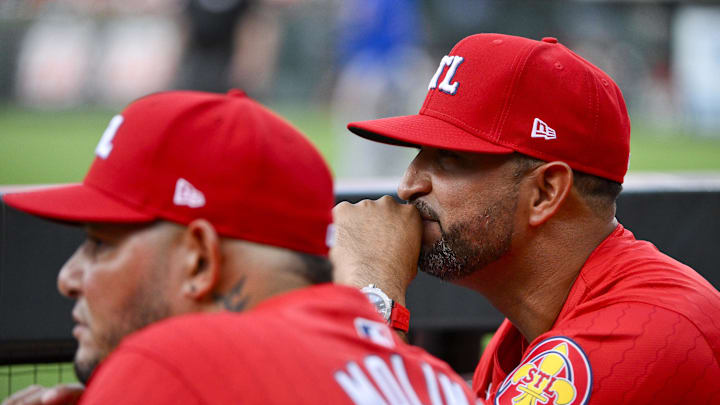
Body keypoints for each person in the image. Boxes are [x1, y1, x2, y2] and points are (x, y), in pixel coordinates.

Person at [1, 90, 477, 404]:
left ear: (200, 259)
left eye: (100, 245)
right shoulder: (439, 385)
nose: (69, 277)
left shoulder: (169, 367)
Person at [332, 33, 720, 404]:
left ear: (546, 192)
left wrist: (372, 292)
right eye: (420, 155)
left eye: (449, 159)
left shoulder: (638, 335)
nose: (408, 185)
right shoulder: (527, 335)